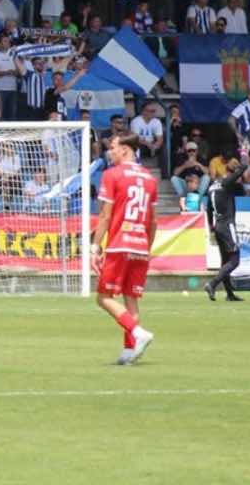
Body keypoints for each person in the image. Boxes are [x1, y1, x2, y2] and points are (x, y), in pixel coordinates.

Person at [91, 134, 158, 365]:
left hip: (119, 244)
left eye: (113, 147)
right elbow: (153, 222)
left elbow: (105, 215)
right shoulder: (150, 178)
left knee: (103, 298)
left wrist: (94, 247)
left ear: (125, 150)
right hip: (140, 245)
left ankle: (138, 333)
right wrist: (147, 248)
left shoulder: (112, 175)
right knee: (131, 299)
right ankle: (130, 352)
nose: (110, 151)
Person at [204, 157, 248, 302]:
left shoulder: (212, 186)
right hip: (228, 225)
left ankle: (229, 294)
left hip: (217, 226)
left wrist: (211, 227)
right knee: (235, 260)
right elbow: (243, 168)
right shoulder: (227, 182)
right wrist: (244, 155)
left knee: (225, 261)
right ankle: (212, 284)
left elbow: (208, 209)